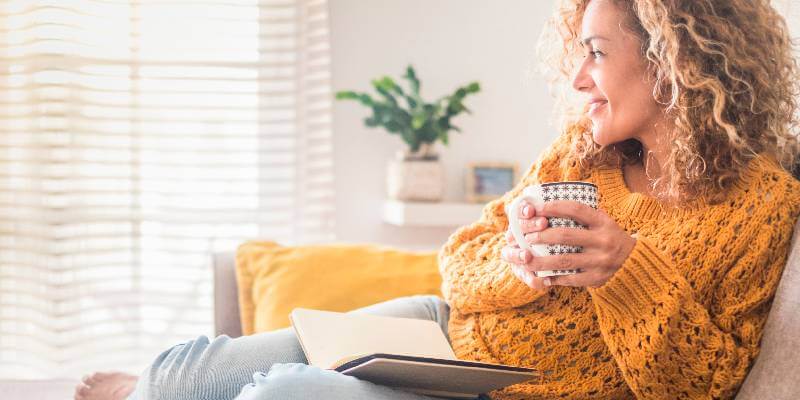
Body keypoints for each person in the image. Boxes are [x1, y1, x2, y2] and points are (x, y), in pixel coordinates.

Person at [75, 0, 800, 399]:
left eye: (597, 52)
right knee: (188, 370)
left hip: (492, 395)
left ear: (676, 58)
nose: (578, 78)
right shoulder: (584, 152)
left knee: (282, 396)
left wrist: (625, 273)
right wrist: (516, 262)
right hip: (439, 332)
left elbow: (704, 388)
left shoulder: (761, 207)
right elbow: (458, 265)